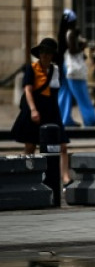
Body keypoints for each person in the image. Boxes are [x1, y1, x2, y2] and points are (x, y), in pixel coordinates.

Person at [11, 37, 71, 186]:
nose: (44, 55)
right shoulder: (31, 68)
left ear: (52, 55)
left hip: (51, 110)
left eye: (48, 53)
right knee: (30, 146)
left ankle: (65, 177)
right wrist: (33, 110)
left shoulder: (56, 70)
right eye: (43, 52)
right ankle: (27, 175)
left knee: (62, 145)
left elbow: (57, 92)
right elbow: (28, 90)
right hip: (35, 108)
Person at [57, 9, 95, 127]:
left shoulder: (63, 33)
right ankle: (90, 120)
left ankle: (63, 119)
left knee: (65, 94)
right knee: (82, 94)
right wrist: (83, 46)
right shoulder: (71, 33)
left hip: (65, 66)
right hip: (73, 68)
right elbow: (73, 50)